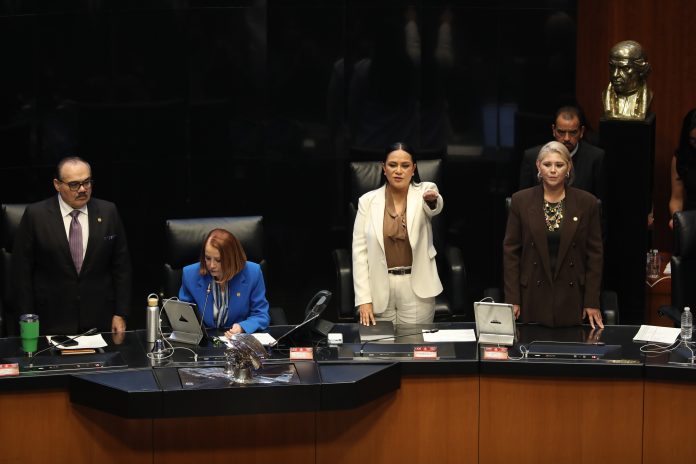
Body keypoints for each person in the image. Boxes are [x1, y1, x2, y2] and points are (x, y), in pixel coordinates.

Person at [11, 157, 132, 335]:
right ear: (57, 185)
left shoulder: (108, 212)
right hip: (50, 320)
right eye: (74, 184)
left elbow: (121, 267)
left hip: (100, 320)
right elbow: (21, 273)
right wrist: (28, 321)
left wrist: (121, 313)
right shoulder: (36, 215)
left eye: (87, 182)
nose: (82, 189)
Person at [504, 141, 604, 328]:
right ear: (538, 166)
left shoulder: (587, 202)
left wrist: (592, 300)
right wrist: (512, 299)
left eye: (559, 165)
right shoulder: (520, 201)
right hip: (531, 294)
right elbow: (511, 253)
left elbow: (595, 256)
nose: (553, 170)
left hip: (572, 295)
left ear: (568, 167)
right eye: (547, 164)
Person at [352, 142, 443, 326]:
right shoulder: (367, 201)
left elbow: (434, 205)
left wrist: (432, 200)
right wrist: (363, 299)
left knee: (415, 344)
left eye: (405, 165)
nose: (398, 171)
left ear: (413, 169)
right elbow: (359, 254)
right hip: (378, 288)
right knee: (379, 345)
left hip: (417, 289)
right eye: (393, 165)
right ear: (384, 168)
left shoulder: (425, 191)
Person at [179, 228, 269, 337]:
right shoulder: (190, 274)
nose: (211, 265)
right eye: (208, 258)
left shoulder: (253, 273)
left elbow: (261, 315)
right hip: (205, 339)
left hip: (237, 340)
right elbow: (184, 316)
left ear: (232, 258)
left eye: (218, 260)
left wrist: (242, 327)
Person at [519, 106, 606, 204]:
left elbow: (599, 203)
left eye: (573, 132)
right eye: (561, 132)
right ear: (554, 130)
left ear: (581, 132)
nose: (567, 138)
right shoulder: (532, 156)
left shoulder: (595, 157)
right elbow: (523, 201)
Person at [602, 40, 652, 120]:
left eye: (625, 68)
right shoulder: (605, 96)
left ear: (640, 69)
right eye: (612, 67)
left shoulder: (648, 96)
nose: (615, 74)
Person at [669, 108, 696, 229]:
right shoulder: (681, 157)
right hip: (692, 219)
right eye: (693, 140)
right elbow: (676, 198)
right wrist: (677, 219)